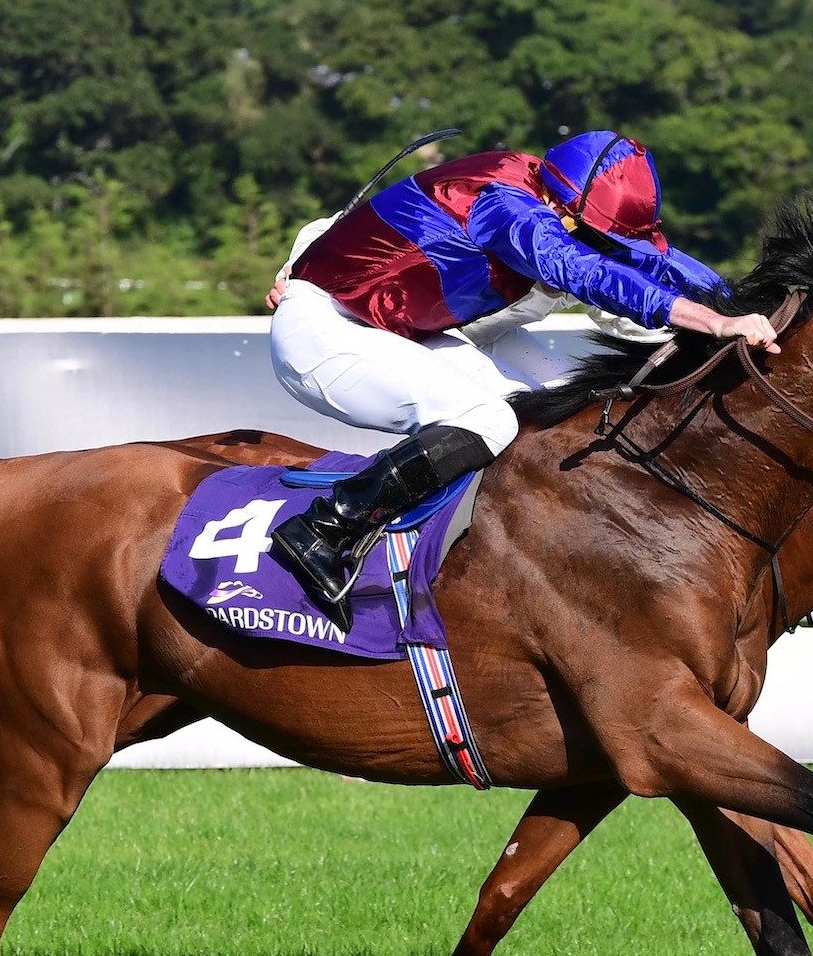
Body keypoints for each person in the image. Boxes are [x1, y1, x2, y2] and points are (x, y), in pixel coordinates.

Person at [265, 130, 779, 627]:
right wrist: (712, 322)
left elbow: (656, 263)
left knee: (550, 425)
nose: (605, 247)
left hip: (404, 332)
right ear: (562, 208)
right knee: (486, 419)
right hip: (325, 332)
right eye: (596, 235)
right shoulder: (503, 204)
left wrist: (756, 309)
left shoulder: (561, 196)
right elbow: (581, 269)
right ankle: (324, 530)